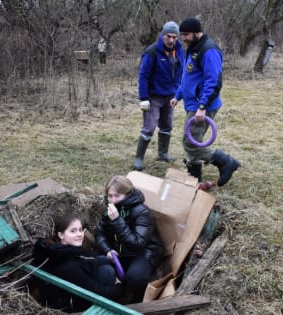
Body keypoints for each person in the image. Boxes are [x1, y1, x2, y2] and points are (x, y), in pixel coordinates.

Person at [170, 17, 240, 186]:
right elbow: (188, 77)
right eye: (182, 35)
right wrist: (178, 96)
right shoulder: (193, 47)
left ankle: (224, 161)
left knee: (189, 141)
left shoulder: (209, 50)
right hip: (193, 104)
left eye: (186, 34)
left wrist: (202, 107)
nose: (183, 38)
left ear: (197, 32)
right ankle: (195, 177)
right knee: (194, 138)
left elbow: (213, 81)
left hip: (202, 105)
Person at [30, 214, 124, 312]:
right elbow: (98, 292)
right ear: (61, 235)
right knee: (107, 271)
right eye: (73, 231)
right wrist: (120, 287)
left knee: (104, 260)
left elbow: (88, 258)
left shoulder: (64, 250)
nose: (79, 234)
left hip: (76, 286)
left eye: (80, 230)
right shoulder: (69, 267)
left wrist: (108, 256)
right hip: (70, 305)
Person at [95, 175, 164, 303]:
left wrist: (117, 220)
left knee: (135, 277)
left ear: (128, 194)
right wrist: (108, 250)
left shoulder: (142, 212)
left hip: (144, 251)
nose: (113, 200)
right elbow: (100, 234)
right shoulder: (110, 208)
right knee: (96, 262)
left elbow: (137, 243)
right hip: (120, 250)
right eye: (110, 196)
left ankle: (137, 302)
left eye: (117, 196)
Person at [133, 21, 184, 171]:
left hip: (171, 95)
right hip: (153, 96)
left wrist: (179, 92)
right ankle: (138, 158)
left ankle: (162, 153)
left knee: (167, 125)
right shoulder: (152, 51)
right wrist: (143, 98)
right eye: (169, 36)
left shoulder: (180, 50)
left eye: (175, 37)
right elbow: (143, 76)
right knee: (149, 126)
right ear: (162, 35)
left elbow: (181, 72)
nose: (171, 40)